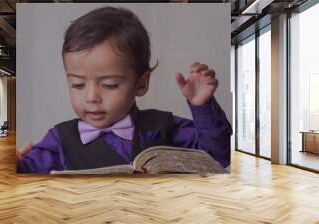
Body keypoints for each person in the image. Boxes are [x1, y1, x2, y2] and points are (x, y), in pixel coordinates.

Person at [17, 6, 232, 174]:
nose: (92, 97)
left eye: (110, 85)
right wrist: (14, 165)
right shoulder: (59, 138)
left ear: (141, 84)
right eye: (78, 84)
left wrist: (202, 107)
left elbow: (216, 158)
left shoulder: (164, 125)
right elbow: (26, 176)